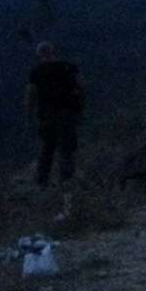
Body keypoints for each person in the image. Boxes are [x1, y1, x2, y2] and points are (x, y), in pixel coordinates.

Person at [25, 41, 85, 187]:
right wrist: (80, 110)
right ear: (53, 51)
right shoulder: (68, 67)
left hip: (47, 116)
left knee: (47, 148)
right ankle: (67, 182)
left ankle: (42, 182)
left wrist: (28, 116)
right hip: (67, 114)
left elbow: (30, 96)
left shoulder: (36, 72)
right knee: (67, 149)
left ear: (39, 55)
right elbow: (81, 87)